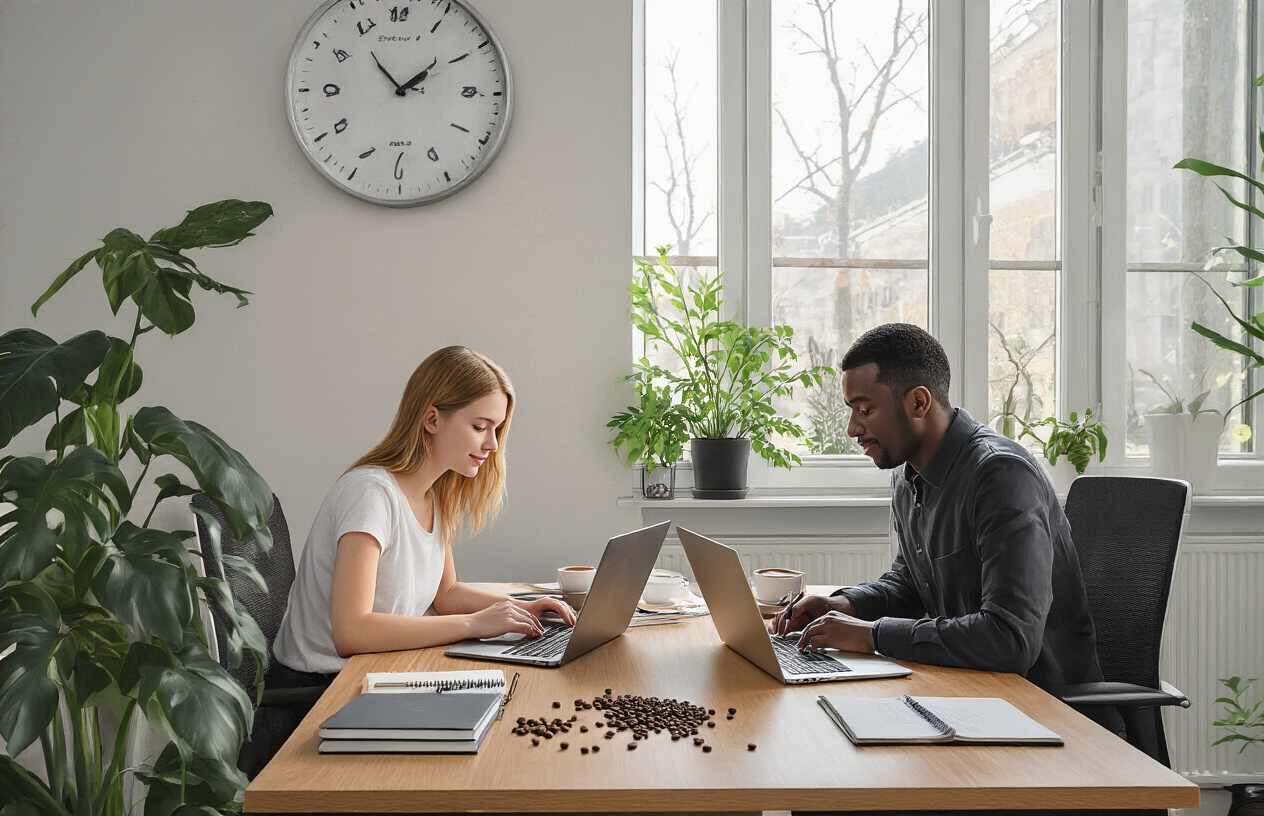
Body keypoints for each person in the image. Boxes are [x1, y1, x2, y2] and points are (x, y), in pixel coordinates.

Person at [773, 323, 1104, 694]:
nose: (852, 428)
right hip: (965, 688)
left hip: (1041, 705)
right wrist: (846, 604)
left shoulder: (1002, 476)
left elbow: (1010, 638)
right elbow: (911, 584)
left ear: (918, 402)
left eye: (865, 409)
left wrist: (873, 635)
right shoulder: (908, 474)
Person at [274, 346, 575, 676]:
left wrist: (521, 609)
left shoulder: (433, 494)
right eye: (480, 427)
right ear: (432, 419)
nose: (492, 444)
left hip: (382, 667)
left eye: (497, 429)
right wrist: (474, 624)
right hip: (327, 685)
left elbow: (445, 594)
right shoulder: (370, 494)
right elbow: (352, 633)